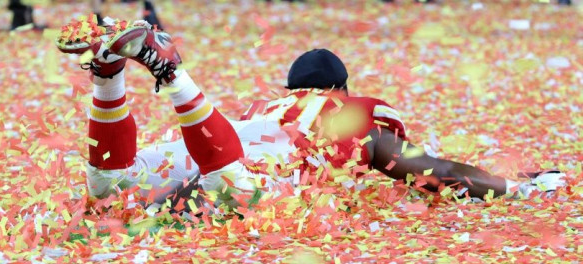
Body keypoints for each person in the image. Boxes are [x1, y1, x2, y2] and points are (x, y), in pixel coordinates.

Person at [55, 19, 566, 210]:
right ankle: (172, 75)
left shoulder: (269, 107)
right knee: (234, 189)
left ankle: (108, 77)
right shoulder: (348, 114)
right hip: (234, 172)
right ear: (340, 89)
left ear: (291, 89)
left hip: (207, 144)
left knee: (109, 191)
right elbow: (439, 172)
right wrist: (518, 187)